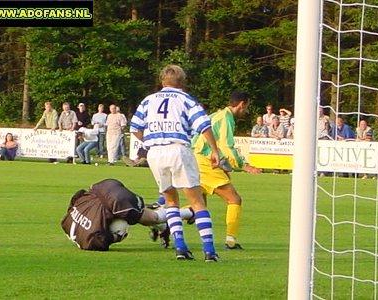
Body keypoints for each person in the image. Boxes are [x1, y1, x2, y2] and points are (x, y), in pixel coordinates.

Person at [130, 64, 220, 262]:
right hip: (178, 149)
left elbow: (135, 127)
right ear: (182, 82)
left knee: (170, 200)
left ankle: (180, 247)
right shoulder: (185, 99)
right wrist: (215, 150)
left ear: (162, 81)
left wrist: (150, 141)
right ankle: (209, 251)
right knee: (197, 201)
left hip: (155, 153)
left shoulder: (148, 100)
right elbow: (203, 125)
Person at [192, 91, 260, 250]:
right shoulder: (226, 118)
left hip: (195, 157)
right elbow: (226, 146)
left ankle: (163, 221)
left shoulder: (216, 114)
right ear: (242, 104)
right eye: (247, 107)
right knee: (234, 199)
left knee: (198, 204)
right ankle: (231, 240)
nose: (246, 111)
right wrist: (243, 165)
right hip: (205, 160)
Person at [61, 179, 193, 251]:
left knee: (152, 218)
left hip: (118, 201)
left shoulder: (91, 240)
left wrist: (117, 237)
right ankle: (161, 224)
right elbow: (79, 194)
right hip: (102, 186)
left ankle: (189, 212)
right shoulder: (66, 222)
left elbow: (101, 241)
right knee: (130, 213)